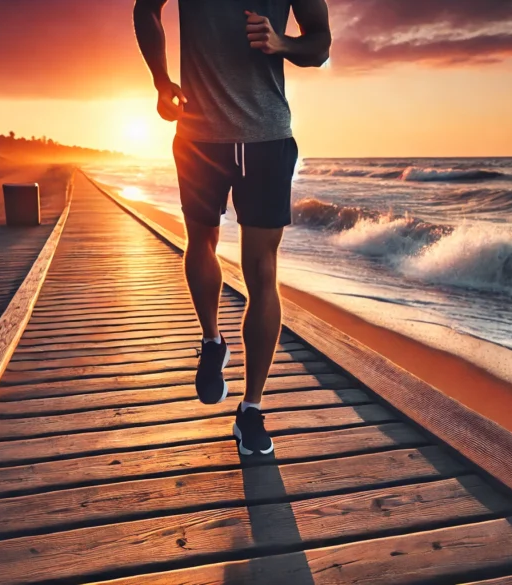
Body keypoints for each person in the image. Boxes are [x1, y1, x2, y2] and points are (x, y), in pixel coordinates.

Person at [133, 0, 331, 455]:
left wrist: (281, 43)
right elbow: (146, 8)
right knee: (200, 242)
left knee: (261, 271)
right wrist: (161, 81)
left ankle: (252, 410)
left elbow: (320, 45)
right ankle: (211, 339)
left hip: (266, 137)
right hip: (198, 136)